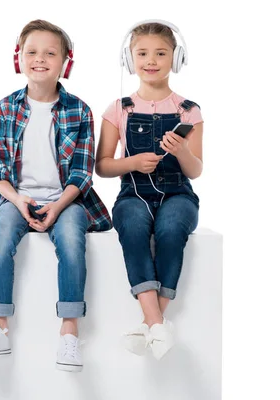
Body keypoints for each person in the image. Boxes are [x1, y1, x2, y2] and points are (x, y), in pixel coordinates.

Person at [0, 19, 112, 373]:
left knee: (70, 237)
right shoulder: (3, 110)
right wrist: (18, 202)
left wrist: (59, 204)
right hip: (17, 199)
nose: (40, 59)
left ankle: (69, 332)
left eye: (50, 52)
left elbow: (81, 172)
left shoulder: (79, 110)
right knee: (0, 231)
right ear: (19, 59)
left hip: (67, 200)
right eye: (32, 52)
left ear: (67, 61)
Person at [96, 20, 203, 360]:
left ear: (176, 58)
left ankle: (149, 322)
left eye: (161, 53)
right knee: (133, 227)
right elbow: (102, 165)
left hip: (178, 193)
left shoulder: (190, 111)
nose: (151, 60)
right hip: (133, 193)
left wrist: (182, 151)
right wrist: (132, 163)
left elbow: (196, 170)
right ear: (130, 59)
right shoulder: (119, 109)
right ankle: (158, 323)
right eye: (142, 53)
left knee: (171, 229)